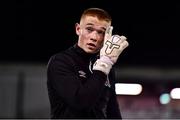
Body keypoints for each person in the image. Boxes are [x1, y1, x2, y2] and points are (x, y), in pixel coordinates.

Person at [47, 7, 129, 119]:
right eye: (89, 29)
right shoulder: (61, 61)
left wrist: (105, 62)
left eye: (101, 32)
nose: (94, 37)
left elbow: (112, 108)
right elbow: (80, 103)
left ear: (107, 36)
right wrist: (104, 63)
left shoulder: (107, 65)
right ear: (78, 29)